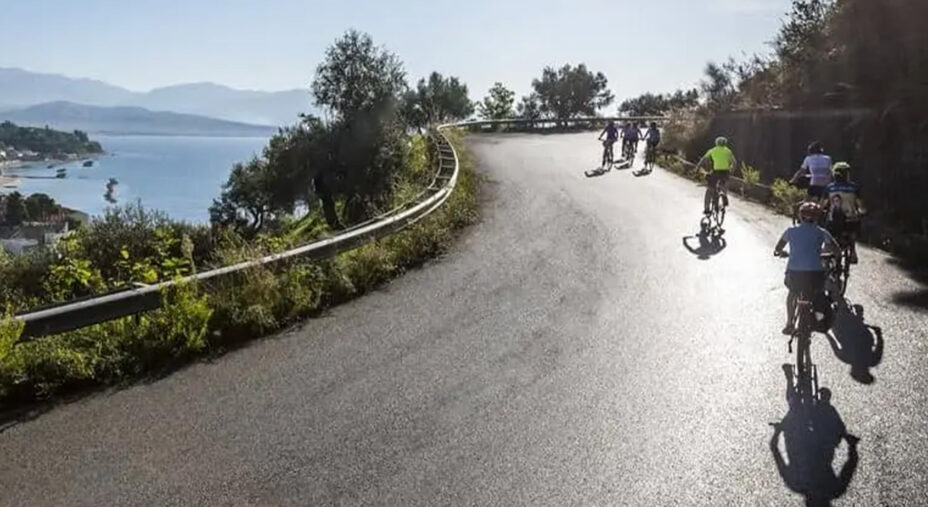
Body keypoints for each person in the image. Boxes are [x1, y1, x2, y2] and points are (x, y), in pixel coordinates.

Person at [774, 202, 841, 335]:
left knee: (792, 293)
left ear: (800, 215)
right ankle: (817, 316)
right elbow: (837, 250)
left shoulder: (790, 231)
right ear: (817, 217)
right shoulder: (822, 232)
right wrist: (831, 258)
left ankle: (789, 323)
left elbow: (778, 248)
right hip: (815, 275)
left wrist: (781, 253)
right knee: (818, 293)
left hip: (794, 274)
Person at [824, 161, 866, 264]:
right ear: (847, 174)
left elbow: (823, 204)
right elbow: (860, 206)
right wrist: (862, 211)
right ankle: (853, 252)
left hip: (833, 219)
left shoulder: (829, 187)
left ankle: (826, 251)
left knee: (828, 233)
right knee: (853, 231)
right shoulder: (854, 187)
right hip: (850, 219)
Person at [696, 136, 736, 215]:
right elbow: (734, 163)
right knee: (724, 184)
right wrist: (732, 170)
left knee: (709, 190)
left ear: (716, 143)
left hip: (716, 172)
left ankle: (707, 209)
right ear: (725, 143)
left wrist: (697, 168)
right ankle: (724, 195)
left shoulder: (712, 150)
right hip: (725, 172)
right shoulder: (728, 151)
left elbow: (703, 159)